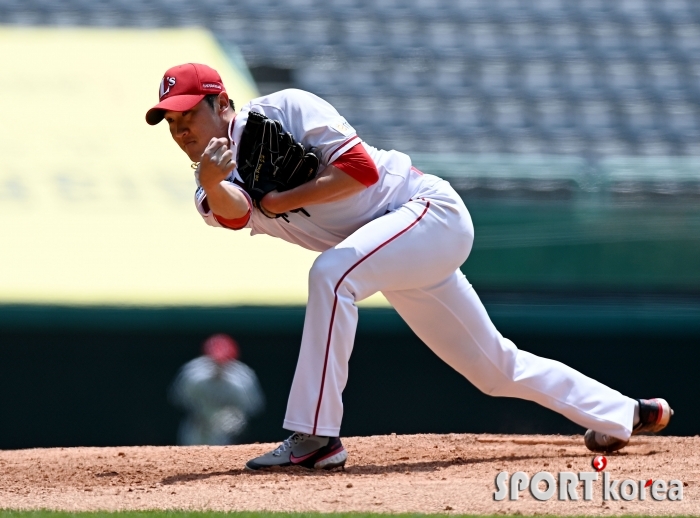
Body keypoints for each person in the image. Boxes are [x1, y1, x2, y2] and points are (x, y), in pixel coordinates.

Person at [146, 63, 673, 470]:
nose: (180, 127)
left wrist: (281, 201)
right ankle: (624, 413)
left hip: (424, 213)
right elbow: (235, 215)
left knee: (331, 276)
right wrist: (217, 183)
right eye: (171, 120)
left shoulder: (285, 109)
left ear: (223, 103)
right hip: (392, 252)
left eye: (190, 111)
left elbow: (361, 171)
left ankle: (313, 438)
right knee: (494, 368)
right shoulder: (208, 186)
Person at [169, 333, 264, 445]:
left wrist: (237, 417)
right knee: (190, 447)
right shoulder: (193, 375)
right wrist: (199, 412)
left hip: (223, 425)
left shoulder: (242, 380)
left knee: (225, 437)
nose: (218, 364)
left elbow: (254, 407)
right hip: (198, 423)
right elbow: (178, 398)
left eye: (224, 360)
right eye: (215, 360)